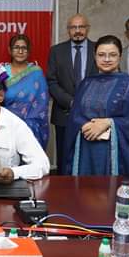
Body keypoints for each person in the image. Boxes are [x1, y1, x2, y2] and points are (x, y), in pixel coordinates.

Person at [63, 35, 129, 176]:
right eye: (101, 55)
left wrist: (109, 122)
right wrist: (83, 125)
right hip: (85, 147)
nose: (107, 59)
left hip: (113, 151)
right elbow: (75, 114)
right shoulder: (86, 83)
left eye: (112, 55)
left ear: (120, 56)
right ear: (95, 56)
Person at [47, 14, 97, 173]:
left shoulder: (98, 49)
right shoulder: (56, 51)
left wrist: (87, 103)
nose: (77, 31)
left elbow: (103, 79)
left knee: (90, 157)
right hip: (64, 114)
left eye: (81, 27)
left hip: (94, 115)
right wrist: (70, 102)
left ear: (88, 28)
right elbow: (51, 82)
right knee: (64, 158)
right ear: (68, 30)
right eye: (73, 27)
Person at [3, 34, 50, 149]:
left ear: (28, 51)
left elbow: (42, 103)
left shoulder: (36, 73)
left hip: (31, 128)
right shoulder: (2, 72)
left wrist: (27, 123)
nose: (20, 51)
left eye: (24, 48)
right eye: (16, 47)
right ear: (10, 50)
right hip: (7, 126)